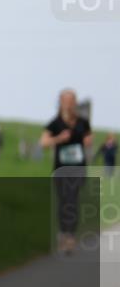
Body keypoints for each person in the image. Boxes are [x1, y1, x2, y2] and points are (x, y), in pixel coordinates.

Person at [40, 90, 93, 254]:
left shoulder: (82, 122)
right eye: (66, 101)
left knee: (72, 198)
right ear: (61, 102)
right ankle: (63, 233)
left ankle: (69, 235)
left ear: (75, 103)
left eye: (71, 101)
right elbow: (43, 142)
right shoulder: (55, 123)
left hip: (78, 168)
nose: (69, 104)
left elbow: (89, 138)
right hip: (61, 168)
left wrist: (86, 140)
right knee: (64, 200)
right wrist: (59, 139)